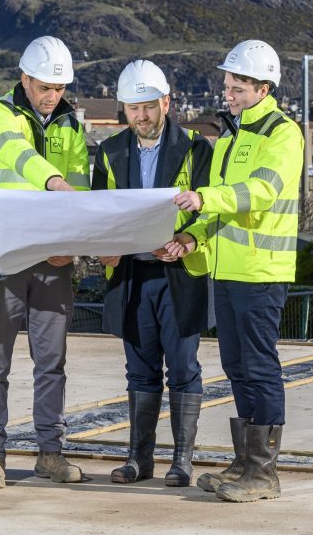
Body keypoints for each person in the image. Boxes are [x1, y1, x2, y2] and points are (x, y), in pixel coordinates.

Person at [162, 40, 303, 503]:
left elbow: (260, 191)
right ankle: (245, 462)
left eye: (237, 86)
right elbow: (219, 203)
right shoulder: (229, 137)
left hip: (261, 272)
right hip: (226, 272)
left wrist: (207, 199)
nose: (228, 93)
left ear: (263, 88)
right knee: (236, 366)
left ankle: (264, 473)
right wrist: (191, 237)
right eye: (227, 85)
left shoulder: (284, 134)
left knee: (260, 367)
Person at [0, 35, 90, 489]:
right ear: (24, 78)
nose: (51, 96)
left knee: (51, 363)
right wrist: (53, 180)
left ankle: (50, 454)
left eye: (58, 88)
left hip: (52, 262)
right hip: (0, 258)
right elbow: (17, 155)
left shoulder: (71, 126)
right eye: (44, 86)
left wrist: (72, 243)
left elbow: (81, 192)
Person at [91, 60, 213, 487]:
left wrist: (189, 240)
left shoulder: (198, 149)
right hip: (131, 278)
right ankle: (138, 460)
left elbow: (209, 211)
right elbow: (100, 214)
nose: (141, 116)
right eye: (132, 109)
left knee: (183, 368)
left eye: (148, 107)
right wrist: (102, 251)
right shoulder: (109, 152)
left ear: (166, 102)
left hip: (179, 276)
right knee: (139, 372)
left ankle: (181, 462)